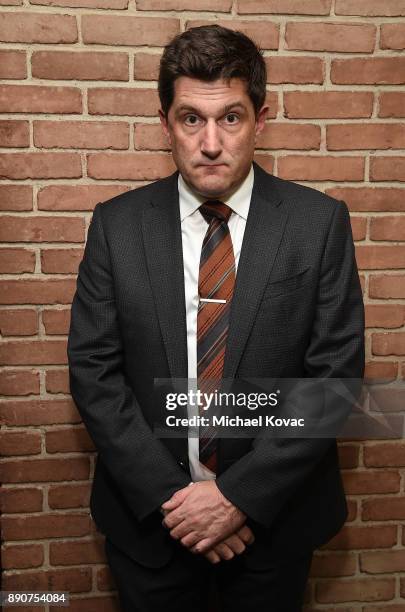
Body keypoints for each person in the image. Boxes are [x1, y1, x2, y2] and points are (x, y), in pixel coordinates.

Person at [67, 24, 364, 612]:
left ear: (260, 118)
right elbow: (94, 373)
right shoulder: (116, 226)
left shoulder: (317, 224)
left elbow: (333, 381)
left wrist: (238, 497)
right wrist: (178, 501)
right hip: (152, 528)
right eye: (190, 119)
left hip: (272, 529)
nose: (210, 143)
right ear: (165, 122)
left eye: (230, 117)